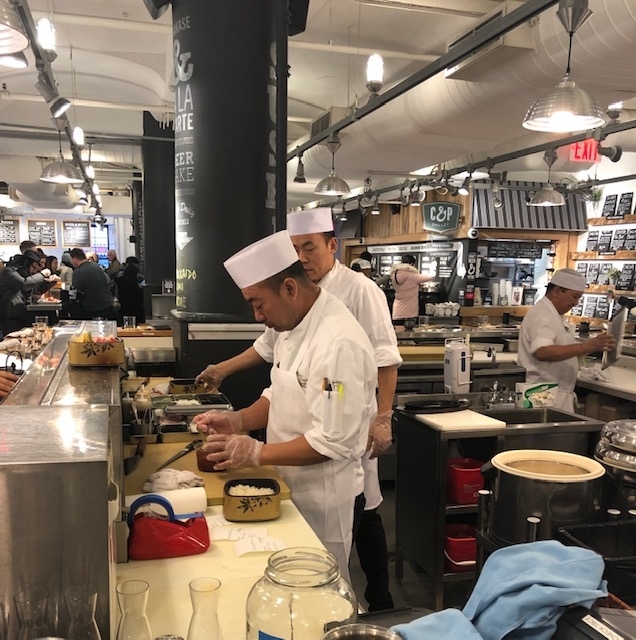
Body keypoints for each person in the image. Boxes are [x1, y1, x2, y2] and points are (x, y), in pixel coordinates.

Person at [196, 208, 401, 611]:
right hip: (288, 482)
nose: (257, 316)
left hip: (324, 497)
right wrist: (238, 420)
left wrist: (255, 452)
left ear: (289, 288)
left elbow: (332, 441)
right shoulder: (293, 325)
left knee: (318, 596)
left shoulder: (336, 343)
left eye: (258, 303)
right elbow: (280, 394)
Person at [518, 268, 616, 412]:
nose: (576, 303)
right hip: (541, 394)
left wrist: (594, 346)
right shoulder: (543, 315)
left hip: (552, 395)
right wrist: (585, 346)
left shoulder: (554, 315)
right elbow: (542, 351)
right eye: (574, 297)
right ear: (557, 291)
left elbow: (562, 351)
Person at [0, 250, 58, 335]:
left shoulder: (22, 273)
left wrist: (52, 281)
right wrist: (42, 275)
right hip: (9, 316)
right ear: (27, 264)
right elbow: (25, 284)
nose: (34, 271)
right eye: (33, 267)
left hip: (21, 314)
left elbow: (36, 289)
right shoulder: (9, 272)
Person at [69, 248, 117, 320]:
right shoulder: (97, 266)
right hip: (108, 304)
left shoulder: (78, 272)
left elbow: (74, 293)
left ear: (75, 259)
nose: (71, 262)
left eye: (71, 260)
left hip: (92, 309)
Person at [390, 254, 432, 323]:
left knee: (398, 329)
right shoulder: (412, 276)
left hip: (397, 311)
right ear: (411, 264)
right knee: (409, 330)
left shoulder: (394, 276)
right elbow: (430, 277)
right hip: (410, 313)